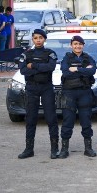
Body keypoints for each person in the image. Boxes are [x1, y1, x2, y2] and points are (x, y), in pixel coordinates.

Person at [17, 29, 59, 159]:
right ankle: (29, 149)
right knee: (30, 119)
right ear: (33, 40)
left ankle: (54, 149)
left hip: (46, 88)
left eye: (41, 37)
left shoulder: (50, 53)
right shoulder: (26, 54)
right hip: (31, 88)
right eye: (35, 38)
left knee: (51, 118)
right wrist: (40, 68)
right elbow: (23, 70)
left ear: (44, 39)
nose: (38, 40)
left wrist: (33, 66)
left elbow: (51, 67)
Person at [59, 35, 97, 159]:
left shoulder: (88, 58)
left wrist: (75, 69)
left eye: (80, 44)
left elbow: (92, 71)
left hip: (84, 92)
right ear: (71, 45)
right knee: (68, 121)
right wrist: (83, 70)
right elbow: (65, 72)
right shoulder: (66, 58)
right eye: (75, 44)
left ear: (83, 45)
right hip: (69, 93)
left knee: (86, 121)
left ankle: (88, 148)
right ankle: (64, 149)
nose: (78, 46)